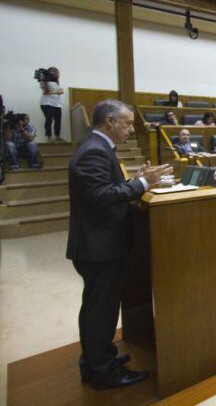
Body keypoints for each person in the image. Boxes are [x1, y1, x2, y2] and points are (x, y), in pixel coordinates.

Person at [67, 99, 172, 390]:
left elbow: (105, 189)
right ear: (109, 121)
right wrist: (141, 185)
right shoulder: (93, 152)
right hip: (97, 246)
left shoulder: (98, 149)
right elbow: (101, 197)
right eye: (126, 123)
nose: (130, 128)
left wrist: (137, 179)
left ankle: (96, 360)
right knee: (100, 309)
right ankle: (103, 372)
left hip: (99, 243)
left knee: (97, 307)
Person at [39, 66, 64, 142]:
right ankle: (49, 137)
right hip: (46, 103)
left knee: (58, 120)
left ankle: (57, 136)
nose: (58, 74)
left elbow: (61, 91)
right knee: (49, 119)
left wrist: (53, 92)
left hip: (57, 104)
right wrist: (44, 81)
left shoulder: (56, 82)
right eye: (57, 73)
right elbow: (46, 92)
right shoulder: (44, 82)